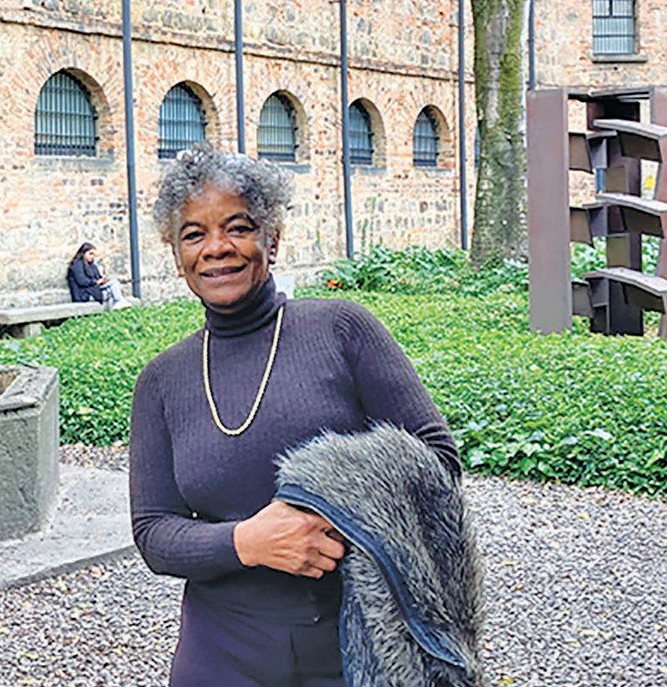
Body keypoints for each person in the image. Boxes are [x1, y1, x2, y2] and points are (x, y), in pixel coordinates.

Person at [129, 144, 461, 686]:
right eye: (193, 234)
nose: (216, 248)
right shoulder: (162, 381)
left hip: (358, 647)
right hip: (220, 656)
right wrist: (248, 541)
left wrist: (329, 508)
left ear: (273, 239)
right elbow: (154, 532)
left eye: (238, 228)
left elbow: (438, 460)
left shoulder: (342, 330)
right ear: (176, 254)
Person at [66, 242, 130, 309]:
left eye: (93, 254)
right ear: (83, 253)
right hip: (83, 295)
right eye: (90, 254)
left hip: (93, 289)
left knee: (112, 287)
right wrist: (96, 282)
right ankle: (119, 301)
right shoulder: (76, 266)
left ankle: (116, 306)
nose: (92, 256)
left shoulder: (92, 265)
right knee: (112, 285)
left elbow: (97, 277)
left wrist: (103, 280)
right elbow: (82, 282)